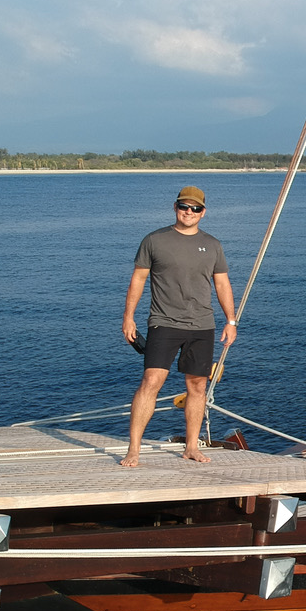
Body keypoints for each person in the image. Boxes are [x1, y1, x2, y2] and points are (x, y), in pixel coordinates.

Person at [120, 185, 237, 467]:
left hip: (201, 325)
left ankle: (191, 447)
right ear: (175, 208)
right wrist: (128, 316)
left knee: (197, 386)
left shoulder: (213, 245)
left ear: (203, 212)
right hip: (164, 322)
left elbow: (222, 284)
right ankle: (133, 449)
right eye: (184, 207)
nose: (189, 212)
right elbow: (138, 279)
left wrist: (231, 321)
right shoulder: (154, 240)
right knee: (152, 381)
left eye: (195, 208)